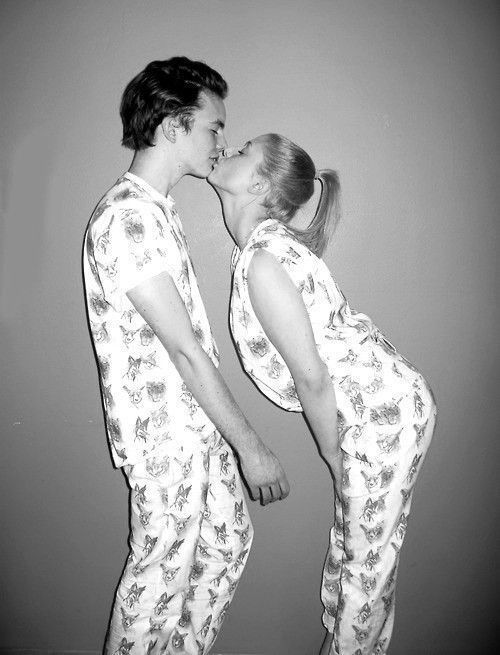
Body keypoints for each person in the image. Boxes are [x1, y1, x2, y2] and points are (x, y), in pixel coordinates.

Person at [82, 60, 289, 655]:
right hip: (164, 439)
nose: (222, 140)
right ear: (173, 125)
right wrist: (252, 447)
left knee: (227, 544)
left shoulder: (157, 211)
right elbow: (184, 348)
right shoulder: (128, 218)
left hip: (197, 430)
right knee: (156, 585)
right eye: (214, 126)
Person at [208, 133, 437, 655]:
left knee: (363, 571)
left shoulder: (264, 261)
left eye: (243, 151)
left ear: (260, 185)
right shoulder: (263, 253)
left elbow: (312, 377)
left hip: (383, 415)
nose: (228, 149)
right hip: (379, 412)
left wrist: (334, 456)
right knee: (355, 555)